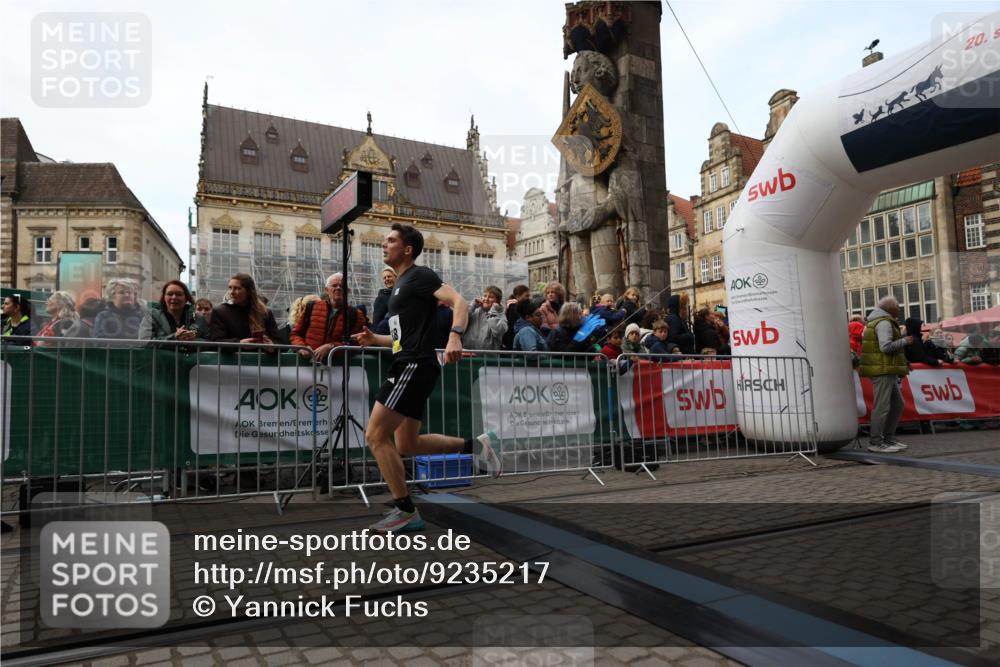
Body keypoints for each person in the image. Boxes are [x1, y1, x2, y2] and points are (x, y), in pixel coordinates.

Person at [351, 223, 501, 533]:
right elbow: (398, 340)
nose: (384, 244)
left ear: (407, 249)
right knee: (406, 443)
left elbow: (459, 302)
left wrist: (455, 336)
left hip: (413, 366)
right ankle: (477, 446)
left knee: (375, 436)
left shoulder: (420, 275)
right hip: (408, 359)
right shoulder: (398, 287)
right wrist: (373, 339)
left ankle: (405, 511)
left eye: (391, 240)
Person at [859, 296, 911, 453]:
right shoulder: (884, 322)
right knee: (882, 406)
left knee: (897, 404)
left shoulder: (879, 321)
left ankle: (887, 439)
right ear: (890, 308)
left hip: (885, 368)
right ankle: (876, 441)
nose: (900, 309)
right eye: (898, 306)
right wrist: (905, 341)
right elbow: (885, 347)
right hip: (882, 369)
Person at [291, 273, 365, 362]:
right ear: (327, 290)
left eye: (341, 286)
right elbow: (296, 333)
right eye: (334, 285)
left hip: (337, 369)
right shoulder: (311, 307)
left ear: (348, 291)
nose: (338, 288)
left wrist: (331, 347)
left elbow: (357, 343)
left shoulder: (355, 314)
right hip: (307, 367)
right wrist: (302, 348)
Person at [210, 273, 281, 345]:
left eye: (237, 288)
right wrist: (239, 343)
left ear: (249, 292)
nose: (232, 292)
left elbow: (279, 341)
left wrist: (271, 346)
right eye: (230, 288)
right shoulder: (220, 312)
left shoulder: (265, 313)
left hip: (259, 355)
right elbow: (216, 341)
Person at [140, 280, 208, 343]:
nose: (174, 297)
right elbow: (144, 341)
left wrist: (192, 340)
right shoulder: (152, 316)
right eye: (170, 294)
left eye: (179, 294)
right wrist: (174, 338)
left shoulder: (198, 318)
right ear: (164, 297)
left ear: (186, 298)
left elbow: (209, 341)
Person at [464, 285, 507, 351]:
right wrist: (471, 307)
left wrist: (493, 314)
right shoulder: (475, 310)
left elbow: (498, 331)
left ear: (497, 301)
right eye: (485, 296)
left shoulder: (500, 314)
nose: (486, 299)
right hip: (468, 354)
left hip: (488, 357)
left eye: (491, 297)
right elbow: (461, 320)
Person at [502, 284, 531, 350]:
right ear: (518, 296)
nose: (528, 298)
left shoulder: (515, 307)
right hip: (512, 341)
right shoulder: (513, 309)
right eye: (526, 296)